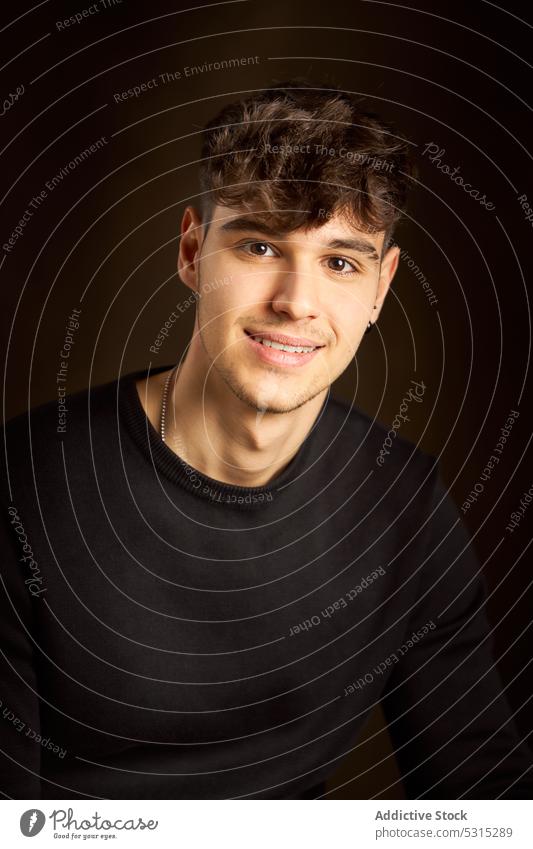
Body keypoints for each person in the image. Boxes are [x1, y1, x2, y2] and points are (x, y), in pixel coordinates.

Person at [1, 81, 532, 800]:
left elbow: (482, 793)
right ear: (192, 251)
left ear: (380, 288)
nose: (296, 301)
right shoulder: (21, 487)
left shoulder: (404, 501)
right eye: (258, 245)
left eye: (340, 262)